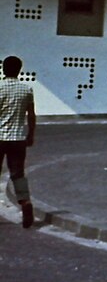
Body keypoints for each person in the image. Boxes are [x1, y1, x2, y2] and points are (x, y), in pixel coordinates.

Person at [0, 55, 35, 229]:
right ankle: (25, 201)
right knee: (18, 173)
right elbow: (31, 115)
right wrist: (31, 135)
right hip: (18, 139)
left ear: (3, 69)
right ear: (19, 70)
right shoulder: (26, 89)